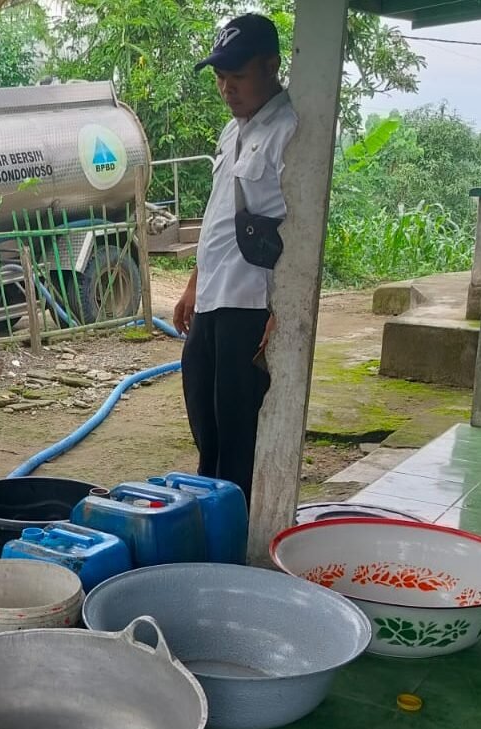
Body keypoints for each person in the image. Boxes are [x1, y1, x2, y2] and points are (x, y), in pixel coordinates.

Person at [173, 13, 295, 504]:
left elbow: (301, 231)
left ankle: (237, 525)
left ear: (270, 66)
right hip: (213, 297)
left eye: (237, 77)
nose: (227, 88)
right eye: (221, 77)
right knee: (204, 410)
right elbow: (220, 215)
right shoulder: (232, 131)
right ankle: (210, 511)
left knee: (239, 426)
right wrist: (192, 285)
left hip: (251, 305)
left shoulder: (291, 131)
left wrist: (282, 312)